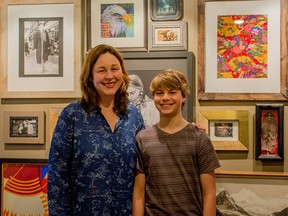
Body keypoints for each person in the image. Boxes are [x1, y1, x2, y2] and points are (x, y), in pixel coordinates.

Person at [47, 44, 145, 215]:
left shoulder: (134, 116)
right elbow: (58, 177)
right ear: (90, 76)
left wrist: (189, 130)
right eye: (101, 70)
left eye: (115, 69)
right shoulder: (72, 115)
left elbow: (144, 165)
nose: (109, 76)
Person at [133, 69, 221, 215]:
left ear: (184, 96)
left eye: (172, 92)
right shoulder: (142, 138)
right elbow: (138, 194)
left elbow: (209, 194)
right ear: (153, 97)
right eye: (159, 93)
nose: (165, 98)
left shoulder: (199, 138)